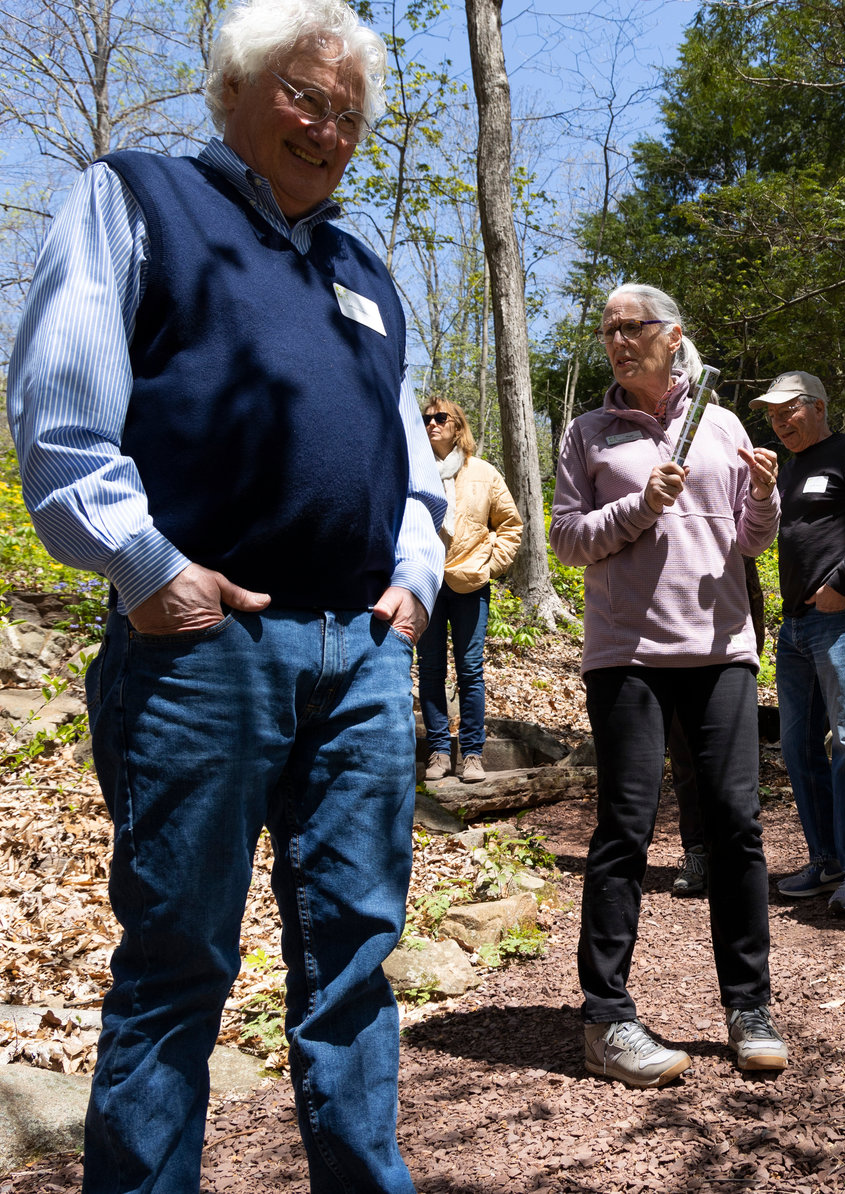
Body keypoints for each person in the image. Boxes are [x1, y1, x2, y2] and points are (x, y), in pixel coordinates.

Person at [5, 1, 445, 1189]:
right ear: (236, 89)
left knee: (357, 960)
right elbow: (60, 417)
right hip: (203, 655)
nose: (328, 126)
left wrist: (414, 580)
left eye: (349, 112)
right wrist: (149, 571)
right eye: (306, 96)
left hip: (359, 655)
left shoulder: (364, 269)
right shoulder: (139, 199)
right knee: (178, 961)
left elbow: (409, 460)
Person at [550, 282, 786, 1087]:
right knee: (625, 827)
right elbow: (566, 540)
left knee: (736, 824)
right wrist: (638, 510)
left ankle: (748, 1006)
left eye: (633, 327)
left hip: (720, 649)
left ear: (671, 334)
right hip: (627, 657)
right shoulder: (588, 434)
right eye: (609, 329)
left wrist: (764, 494)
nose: (618, 340)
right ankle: (606, 1015)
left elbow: (751, 542)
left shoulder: (719, 423)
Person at [752, 371, 845, 914]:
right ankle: (827, 859)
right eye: (771, 415)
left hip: (843, 618)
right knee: (796, 745)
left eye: (787, 410)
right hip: (794, 626)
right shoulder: (788, 470)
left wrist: (842, 584)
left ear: (816, 407)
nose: (778, 422)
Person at [419, 397, 523, 783]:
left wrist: (490, 564)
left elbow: (511, 525)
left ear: (457, 425)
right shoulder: (415, 471)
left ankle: (473, 755)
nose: (432, 423)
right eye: (426, 418)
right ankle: (438, 753)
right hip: (426, 582)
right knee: (430, 670)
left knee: (470, 670)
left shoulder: (483, 472)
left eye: (440, 417)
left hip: (470, 582)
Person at [670, 554, 764, 898]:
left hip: (726, 655)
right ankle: (696, 852)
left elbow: (751, 592)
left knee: (731, 776)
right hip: (668, 649)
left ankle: (732, 856)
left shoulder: (729, 522)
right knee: (684, 761)